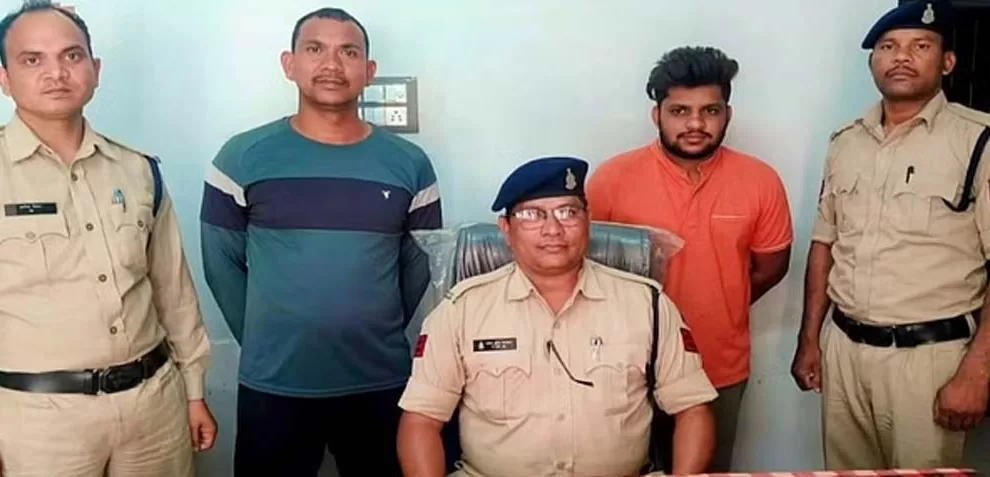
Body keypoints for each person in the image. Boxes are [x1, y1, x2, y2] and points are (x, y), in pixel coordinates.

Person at [199, 7, 442, 477]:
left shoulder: (410, 164)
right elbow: (220, 265)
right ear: (289, 64)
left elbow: (419, 267)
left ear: (369, 71)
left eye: (348, 52)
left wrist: (370, 326)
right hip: (275, 383)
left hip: (379, 380)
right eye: (315, 49)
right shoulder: (243, 157)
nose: (332, 64)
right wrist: (269, 339)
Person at [396, 156, 717, 477]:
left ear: (587, 220)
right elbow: (421, 420)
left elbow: (692, 408)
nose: (552, 229)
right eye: (532, 215)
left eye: (568, 212)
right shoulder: (461, 309)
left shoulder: (647, 303)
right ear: (506, 228)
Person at [0, 2, 216, 476]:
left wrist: (194, 391)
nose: (56, 73)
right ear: (5, 78)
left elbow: (174, 292)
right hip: (37, 423)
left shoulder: (137, 170)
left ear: (95, 70)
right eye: (32, 59)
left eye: (72, 56)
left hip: (153, 408)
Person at [791, 0, 990, 469]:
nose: (901, 56)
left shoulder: (978, 142)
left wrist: (978, 371)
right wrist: (809, 339)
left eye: (920, 46)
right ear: (872, 63)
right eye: (888, 46)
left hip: (930, 360)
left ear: (947, 62)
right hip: (844, 351)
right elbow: (825, 245)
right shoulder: (845, 142)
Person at [586, 45, 793, 472]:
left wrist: (720, 302)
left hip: (717, 365)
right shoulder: (612, 179)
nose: (695, 124)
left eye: (709, 111)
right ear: (656, 115)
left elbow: (771, 267)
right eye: (679, 111)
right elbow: (583, 271)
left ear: (727, 114)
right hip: (625, 367)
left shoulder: (760, 181)